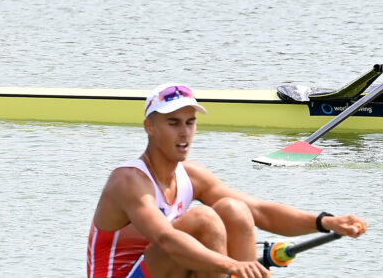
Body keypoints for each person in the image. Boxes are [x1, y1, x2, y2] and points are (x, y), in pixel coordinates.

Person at [87, 83, 367, 278]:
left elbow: (260, 211)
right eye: (173, 123)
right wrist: (233, 265)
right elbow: (166, 239)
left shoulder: (191, 176)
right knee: (205, 220)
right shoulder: (128, 181)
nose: (184, 133)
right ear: (150, 127)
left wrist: (324, 222)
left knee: (235, 210)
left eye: (190, 122)